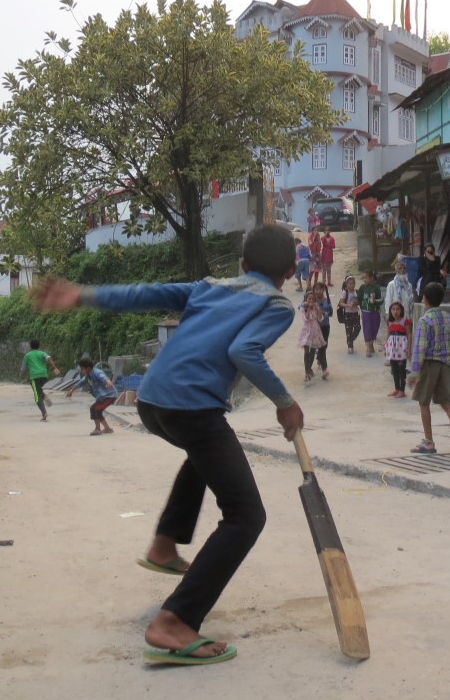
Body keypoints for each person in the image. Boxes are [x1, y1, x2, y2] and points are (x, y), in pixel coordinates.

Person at [32, 224, 304, 666]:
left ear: (243, 265)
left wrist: (81, 294)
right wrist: (285, 403)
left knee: (204, 454)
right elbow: (244, 352)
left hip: (153, 401)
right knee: (246, 516)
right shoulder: (276, 305)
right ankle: (175, 621)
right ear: (291, 270)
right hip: (194, 407)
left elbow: (145, 293)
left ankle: (164, 544)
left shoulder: (209, 287)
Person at [407, 282, 450, 455]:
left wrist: (414, 372)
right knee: (445, 402)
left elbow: (419, 348)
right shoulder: (449, 319)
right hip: (444, 364)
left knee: (423, 401)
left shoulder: (425, 320)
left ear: (425, 299)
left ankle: (428, 442)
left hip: (429, 364)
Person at [65, 357, 117, 435]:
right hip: (103, 397)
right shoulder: (88, 375)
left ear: (88, 368)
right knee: (97, 411)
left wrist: (107, 380)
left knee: (94, 408)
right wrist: (72, 390)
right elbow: (81, 382)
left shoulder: (96, 372)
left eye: (82, 369)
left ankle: (97, 429)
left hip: (109, 396)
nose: (81, 371)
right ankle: (107, 429)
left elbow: (102, 376)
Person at [21, 339, 62, 421]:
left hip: (34, 377)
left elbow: (23, 369)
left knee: (37, 396)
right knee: (39, 391)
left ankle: (44, 413)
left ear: (30, 346)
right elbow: (48, 358)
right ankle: (44, 396)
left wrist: (22, 372)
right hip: (44, 375)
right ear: (39, 346)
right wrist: (54, 368)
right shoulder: (42, 353)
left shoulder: (27, 355)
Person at [297, 291, 326, 384]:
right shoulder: (303, 308)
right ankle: (307, 372)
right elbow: (304, 318)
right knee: (306, 351)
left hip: (315, 331)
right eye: (309, 299)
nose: (311, 301)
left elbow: (321, 318)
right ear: (306, 299)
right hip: (306, 331)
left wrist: (317, 309)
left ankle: (309, 370)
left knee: (313, 352)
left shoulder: (316, 307)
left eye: (313, 299)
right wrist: (307, 308)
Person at [384, 301, 412, 398]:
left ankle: (402, 390)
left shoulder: (405, 321)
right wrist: (386, 347)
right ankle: (396, 388)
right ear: (390, 310)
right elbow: (388, 334)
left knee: (401, 369)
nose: (395, 311)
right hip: (392, 348)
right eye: (393, 309)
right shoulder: (389, 322)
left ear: (401, 310)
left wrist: (408, 348)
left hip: (402, 348)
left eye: (398, 309)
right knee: (394, 369)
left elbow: (409, 334)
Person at [357, 270, 381, 358]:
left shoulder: (377, 288)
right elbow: (358, 297)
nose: (364, 280)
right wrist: (358, 304)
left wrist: (375, 301)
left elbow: (381, 300)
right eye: (363, 278)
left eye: (366, 278)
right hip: (366, 312)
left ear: (371, 278)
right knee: (367, 329)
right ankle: (368, 348)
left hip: (375, 312)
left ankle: (371, 345)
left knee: (375, 328)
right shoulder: (362, 287)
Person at [310, 282, 332, 380]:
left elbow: (331, 313)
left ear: (323, 290)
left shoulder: (327, 300)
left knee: (324, 346)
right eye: (316, 289)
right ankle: (324, 369)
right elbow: (304, 309)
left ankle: (319, 357)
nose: (318, 291)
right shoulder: (311, 301)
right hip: (315, 328)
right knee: (321, 347)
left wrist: (323, 313)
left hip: (325, 326)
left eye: (320, 289)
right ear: (313, 290)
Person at [338, 275, 361, 354]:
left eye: (353, 283)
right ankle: (350, 346)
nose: (352, 285)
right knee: (349, 330)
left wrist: (356, 303)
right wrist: (348, 305)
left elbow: (359, 302)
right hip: (348, 314)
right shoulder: (345, 292)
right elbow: (341, 303)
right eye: (350, 283)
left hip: (355, 313)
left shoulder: (356, 292)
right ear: (346, 284)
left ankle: (350, 339)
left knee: (358, 328)